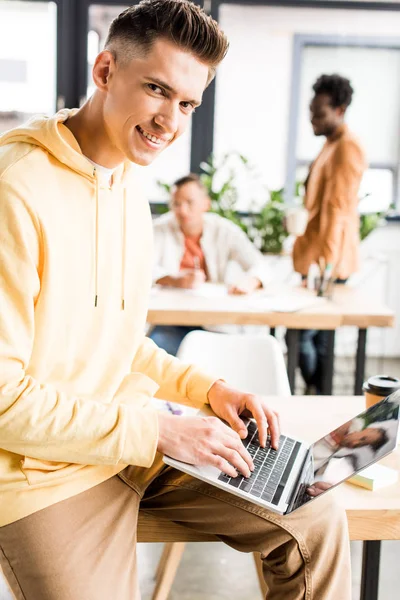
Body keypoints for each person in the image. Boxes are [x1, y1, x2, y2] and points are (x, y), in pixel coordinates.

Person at [0, 3, 351, 599]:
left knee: (315, 516)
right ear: (105, 70)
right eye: (158, 90)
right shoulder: (17, 189)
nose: (171, 122)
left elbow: (107, 344)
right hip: (43, 474)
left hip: (137, 443)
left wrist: (205, 391)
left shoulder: (130, 183)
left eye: (187, 104)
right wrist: (156, 430)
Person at [292, 74, 367, 394]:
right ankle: (315, 392)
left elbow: (336, 211)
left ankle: (317, 395)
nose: (312, 119)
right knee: (309, 337)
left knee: (310, 339)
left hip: (327, 265)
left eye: (319, 113)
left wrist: (321, 270)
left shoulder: (347, 147)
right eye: (311, 111)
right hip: (317, 259)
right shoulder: (330, 144)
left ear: (340, 110)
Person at [150, 173, 270, 355]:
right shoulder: (158, 229)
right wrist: (173, 279)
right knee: (155, 354)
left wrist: (251, 281)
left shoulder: (224, 230)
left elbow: (259, 264)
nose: (182, 210)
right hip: (171, 321)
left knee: (228, 357)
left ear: (206, 203)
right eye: (176, 204)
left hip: (213, 322)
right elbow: (139, 267)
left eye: (189, 202)